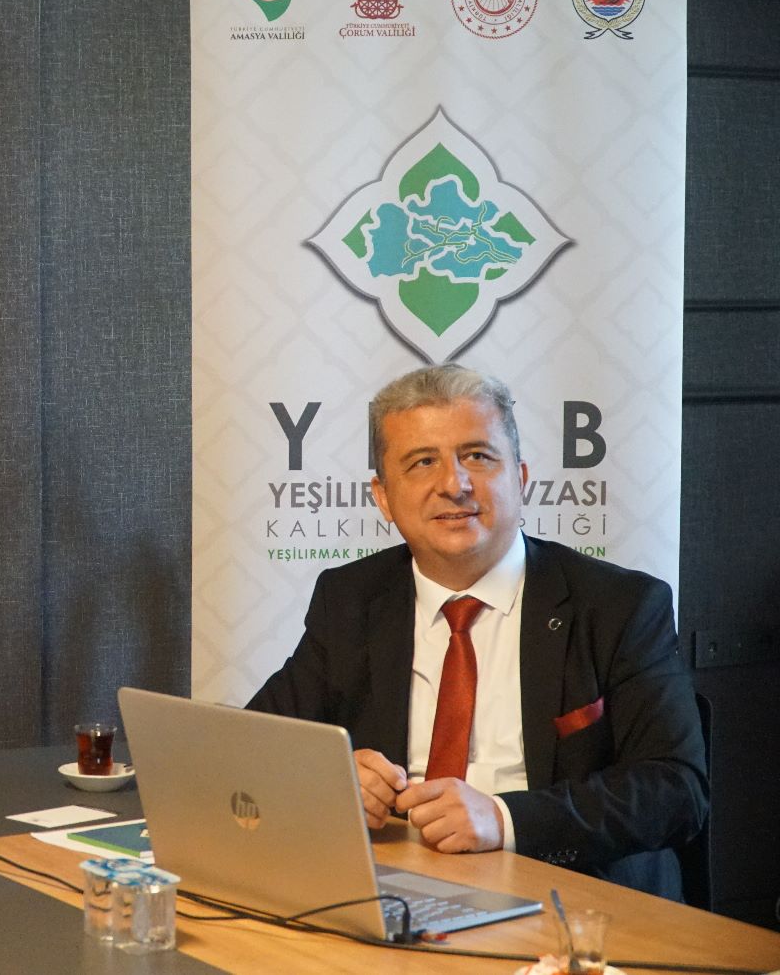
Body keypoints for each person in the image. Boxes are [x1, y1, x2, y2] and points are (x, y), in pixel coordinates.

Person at [247, 364, 708, 898]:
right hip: (391, 889)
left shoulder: (618, 605)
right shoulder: (350, 599)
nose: (454, 484)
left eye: (478, 456)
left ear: (521, 478)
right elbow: (254, 749)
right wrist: (328, 779)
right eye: (423, 462)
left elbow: (676, 789)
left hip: (570, 896)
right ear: (383, 497)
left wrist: (504, 820)